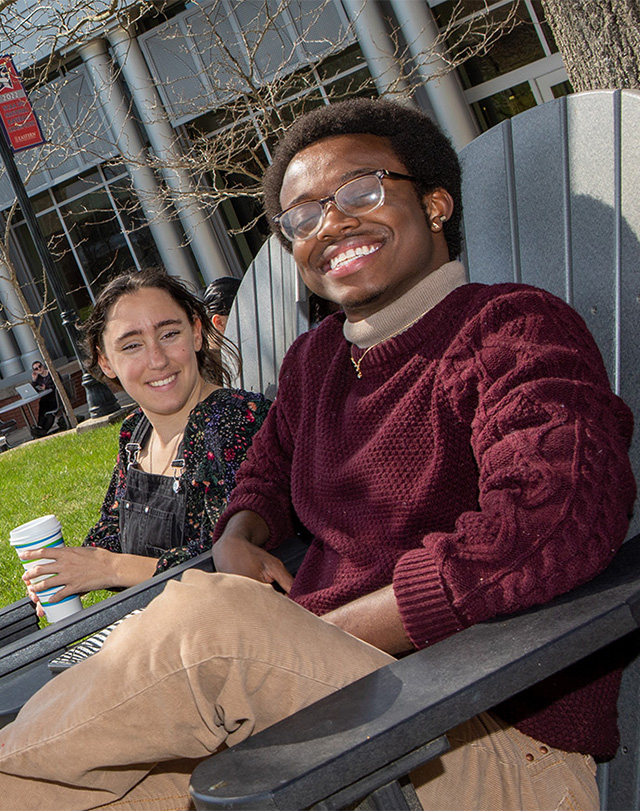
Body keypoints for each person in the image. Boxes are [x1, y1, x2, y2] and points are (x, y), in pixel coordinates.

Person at [0, 99, 635, 811]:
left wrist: (310, 631)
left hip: (489, 736)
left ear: (434, 202)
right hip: (338, 716)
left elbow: (553, 519)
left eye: (361, 191)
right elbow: (264, 470)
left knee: (209, 618)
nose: (331, 223)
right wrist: (241, 531)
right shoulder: (316, 361)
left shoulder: (509, 328)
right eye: (302, 217)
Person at [21, 267, 270, 618]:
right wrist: (66, 568)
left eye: (169, 334)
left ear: (197, 333)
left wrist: (110, 567)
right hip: (162, 628)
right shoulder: (136, 432)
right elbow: (112, 527)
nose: (157, 359)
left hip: (237, 629)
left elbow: (223, 561)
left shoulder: (235, 419)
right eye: (132, 345)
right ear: (105, 361)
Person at [29, 359, 59, 437]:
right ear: (34, 371)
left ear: (43, 366)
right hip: (46, 400)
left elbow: (58, 384)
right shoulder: (39, 378)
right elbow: (33, 389)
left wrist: (47, 387)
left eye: (40, 366)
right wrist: (34, 380)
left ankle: (43, 431)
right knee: (42, 407)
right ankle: (40, 428)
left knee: (48, 412)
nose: (39, 369)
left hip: (56, 398)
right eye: (36, 369)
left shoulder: (51, 373)